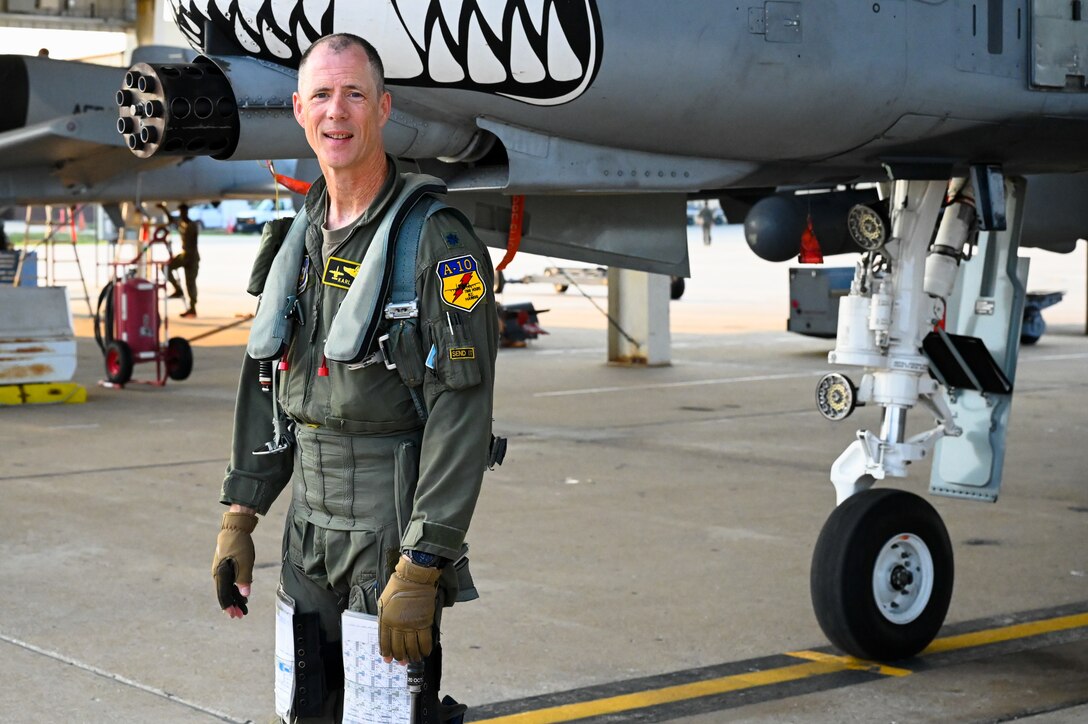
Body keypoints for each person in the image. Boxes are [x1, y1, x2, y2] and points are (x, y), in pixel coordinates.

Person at [210, 33, 499, 723]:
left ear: (383, 109)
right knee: (306, 710)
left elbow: (462, 414)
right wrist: (239, 516)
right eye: (321, 95)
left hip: (387, 531)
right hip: (306, 534)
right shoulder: (295, 241)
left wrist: (426, 559)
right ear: (299, 110)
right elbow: (268, 384)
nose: (336, 112)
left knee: (388, 715)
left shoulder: (435, 242)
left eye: (355, 94)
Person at [160, 202, 200, 317]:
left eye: (183, 212)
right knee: (166, 267)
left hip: (191, 257)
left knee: (190, 283)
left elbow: (193, 243)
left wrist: (187, 257)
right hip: (185, 254)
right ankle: (177, 289)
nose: (182, 214)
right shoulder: (181, 223)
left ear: (186, 212)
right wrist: (164, 208)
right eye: (181, 212)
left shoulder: (191, 225)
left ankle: (192, 308)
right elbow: (171, 219)